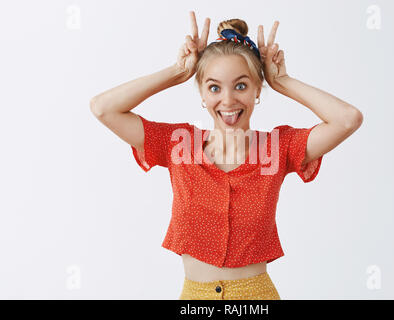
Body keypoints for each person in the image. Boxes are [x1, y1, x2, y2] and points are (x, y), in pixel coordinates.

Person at [90, 11, 363, 300]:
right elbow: (103, 108)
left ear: (258, 89)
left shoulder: (277, 147)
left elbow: (347, 119)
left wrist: (282, 81)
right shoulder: (178, 145)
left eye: (241, 85)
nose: (228, 100)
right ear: (203, 94)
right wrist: (177, 72)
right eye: (214, 87)